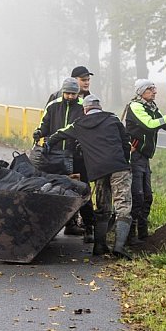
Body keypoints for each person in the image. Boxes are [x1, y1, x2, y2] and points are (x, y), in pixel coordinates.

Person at [46, 94, 134, 259]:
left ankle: (99, 246)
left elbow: (60, 133)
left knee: (102, 208)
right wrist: (125, 159)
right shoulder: (113, 119)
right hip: (118, 168)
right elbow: (126, 141)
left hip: (98, 171)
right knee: (123, 207)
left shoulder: (79, 124)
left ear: (85, 109)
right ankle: (119, 247)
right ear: (99, 107)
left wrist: (48, 143)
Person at [121, 79, 166, 245]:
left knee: (147, 196)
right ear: (141, 91)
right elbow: (150, 125)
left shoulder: (151, 106)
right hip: (134, 157)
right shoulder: (135, 107)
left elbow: (162, 124)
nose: (155, 92)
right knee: (138, 196)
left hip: (144, 157)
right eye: (151, 89)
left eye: (154, 89)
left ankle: (143, 233)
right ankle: (130, 237)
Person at [34, 78, 95, 241]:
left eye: (73, 94)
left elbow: (87, 129)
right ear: (62, 91)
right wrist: (39, 133)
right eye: (67, 93)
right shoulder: (53, 106)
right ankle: (47, 226)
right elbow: (44, 125)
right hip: (52, 156)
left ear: (78, 94)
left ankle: (89, 228)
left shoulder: (83, 107)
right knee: (49, 190)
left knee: (82, 190)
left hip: (76, 157)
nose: (70, 96)